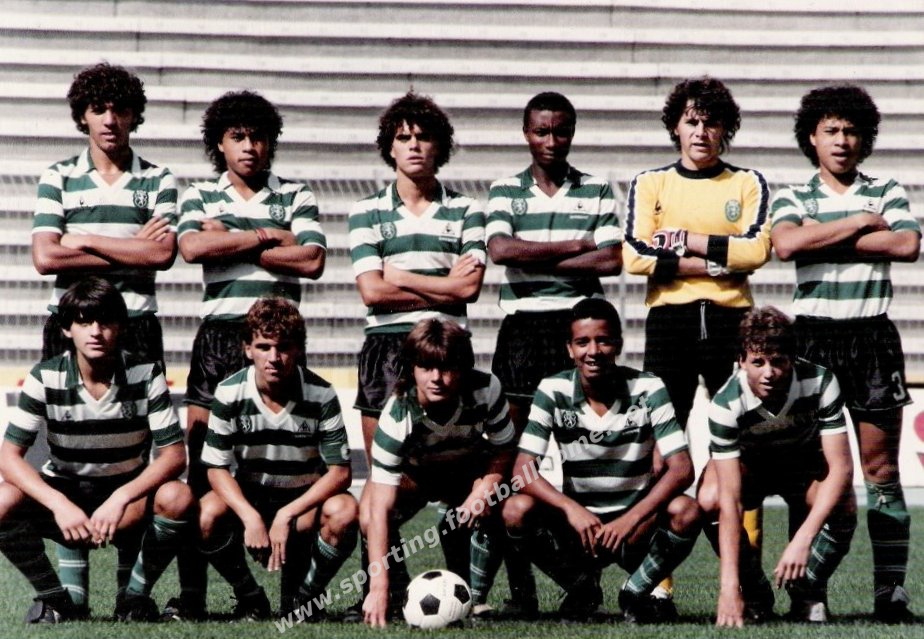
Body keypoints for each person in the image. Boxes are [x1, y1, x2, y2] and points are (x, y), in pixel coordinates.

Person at [167, 90, 327, 620]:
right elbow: (191, 248)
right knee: (201, 471)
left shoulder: (296, 194)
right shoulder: (199, 194)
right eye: (237, 137)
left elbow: (312, 261)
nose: (249, 146)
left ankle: (294, 599)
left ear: (271, 141)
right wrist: (269, 236)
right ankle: (194, 597)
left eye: (258, 136)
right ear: (219, 143)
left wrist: (232, 236)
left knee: (293, 464)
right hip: (219, 339)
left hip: (278, 337)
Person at [770, 85, 921, 623]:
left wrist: (821, 235)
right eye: (831, 130)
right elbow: (785, 244)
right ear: (811, 137)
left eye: (851, 131)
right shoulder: (792, 195)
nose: (841, 140)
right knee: (816, 474)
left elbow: (906, 245)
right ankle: (810, 593)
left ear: (865, 138)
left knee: (882, 470)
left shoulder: (887, 189)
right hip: (813, 342)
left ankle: (890, 592)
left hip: (872, 338)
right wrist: (859, 222)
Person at [31, 63, 179, 613]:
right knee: (69, 446)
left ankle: (129, 593)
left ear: (135, 115)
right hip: (68, 321)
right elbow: (46, 257)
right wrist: (128, 246)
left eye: (120, 108)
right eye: (99, 109)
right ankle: (70, 591)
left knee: (135, 451)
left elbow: (161, 254)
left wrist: (85, 239)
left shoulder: (159, 178)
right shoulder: (57, 176)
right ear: (82, 117)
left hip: (136, 322)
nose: (110, 119)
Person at [622, 77, 771, 598]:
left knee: (740, 450)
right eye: (691, 121)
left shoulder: (747, 182)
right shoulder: (651, 183)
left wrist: (683, 241)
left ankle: (748, 581)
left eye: (711, 122)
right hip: (670, 324)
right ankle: (658, 586)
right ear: (674, 127)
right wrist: (713, 262)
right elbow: (634, 255)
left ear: (726, 129)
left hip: (733, 323)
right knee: (663, 452)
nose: (701, 131)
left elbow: (755, 252)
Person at [348, 92, 486, 617]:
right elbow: (371, 292)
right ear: (389, 146)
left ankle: (466, 592)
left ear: (440, 146)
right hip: (385, 351)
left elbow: (469, 291)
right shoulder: (365, 211)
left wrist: (400, 275)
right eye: (402, 137)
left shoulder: (467, 210)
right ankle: (384, 590)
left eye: (423, 137)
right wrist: (441, 285)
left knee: (456, 478)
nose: (413, 146)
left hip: (446, 350)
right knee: (383, 486)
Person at [484, 91, 622, 616]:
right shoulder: (504, 189)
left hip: (576, 329)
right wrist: (572, 246)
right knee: (513, 460)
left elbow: (610, 260)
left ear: (572, 133)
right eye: (541, 130)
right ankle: (521, 593)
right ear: (526, 133)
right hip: (522, 333)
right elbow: (501, 251)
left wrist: (536, 257)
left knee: (583, 454)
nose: (551, 140)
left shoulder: (596, 188)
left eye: (560, 130)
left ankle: (586, 576)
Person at [0, 277, 193, 623]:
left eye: (105, 322)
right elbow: (8, 456)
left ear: (121, 326)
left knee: (177, 496)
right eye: (84, 322)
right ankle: (55, 599)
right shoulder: (45, 376)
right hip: (66, 493)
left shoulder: (146, 374)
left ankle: (133, 598)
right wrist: (59, 504)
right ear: (66, 329)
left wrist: (121, 498)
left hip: (126, 500)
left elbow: (175, 455)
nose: (96, 331)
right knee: (1, 500)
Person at [502, 298, 701, 624]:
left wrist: (631, 518)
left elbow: (682, 468)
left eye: (603, 340)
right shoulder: (553, 389)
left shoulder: (648, 387)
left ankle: (635, 592)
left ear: (618, 345)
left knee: (687, 510)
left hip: (635, 529)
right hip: (578, 531)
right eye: (583, 342)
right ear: (570, 349)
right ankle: (580, 587)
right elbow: (522, 470)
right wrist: (571, 509)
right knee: (515, 509)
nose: (593, 351)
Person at [197, 297, 357, 620]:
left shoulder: (321, 393)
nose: (274, 357)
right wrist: (250, 517)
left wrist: (286, 514)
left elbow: (340, 472)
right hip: (252, 497)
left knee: (344, 510)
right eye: (263, 346)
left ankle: (305, 599)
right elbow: (216, 468)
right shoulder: (229, 392)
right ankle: (250, 597)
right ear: (247, 349)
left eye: (283, 347)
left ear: (298, 349)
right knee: (206, 514)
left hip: (303, 506)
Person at [697, 306, 857, 626]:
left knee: (844, 503)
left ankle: (807, 592)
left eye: (778, 361)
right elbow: (730, 499)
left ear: (792, 359)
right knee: (710, 498)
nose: (768, 373)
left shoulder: (820, 381)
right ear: (741, 361)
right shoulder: (725, 404)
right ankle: (754, 592)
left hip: (801, 470)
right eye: (758, 362)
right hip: (751, 471)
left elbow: (841, 468)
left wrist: (803, 539)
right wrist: (729, 588)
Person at [360, 318, 516, 628]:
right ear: (412, 368)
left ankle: (478, 596)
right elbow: (380, 509)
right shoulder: (397, 413)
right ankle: (394, 594)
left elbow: (504, 449)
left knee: (512, 504)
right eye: (426, 367)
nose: (436, 378)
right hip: (416, 477)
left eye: (446, 367)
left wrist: (484, 488)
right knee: (367, 514)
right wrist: (378, 586)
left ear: (463, 367)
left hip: (467, 473)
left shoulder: (486, 389)